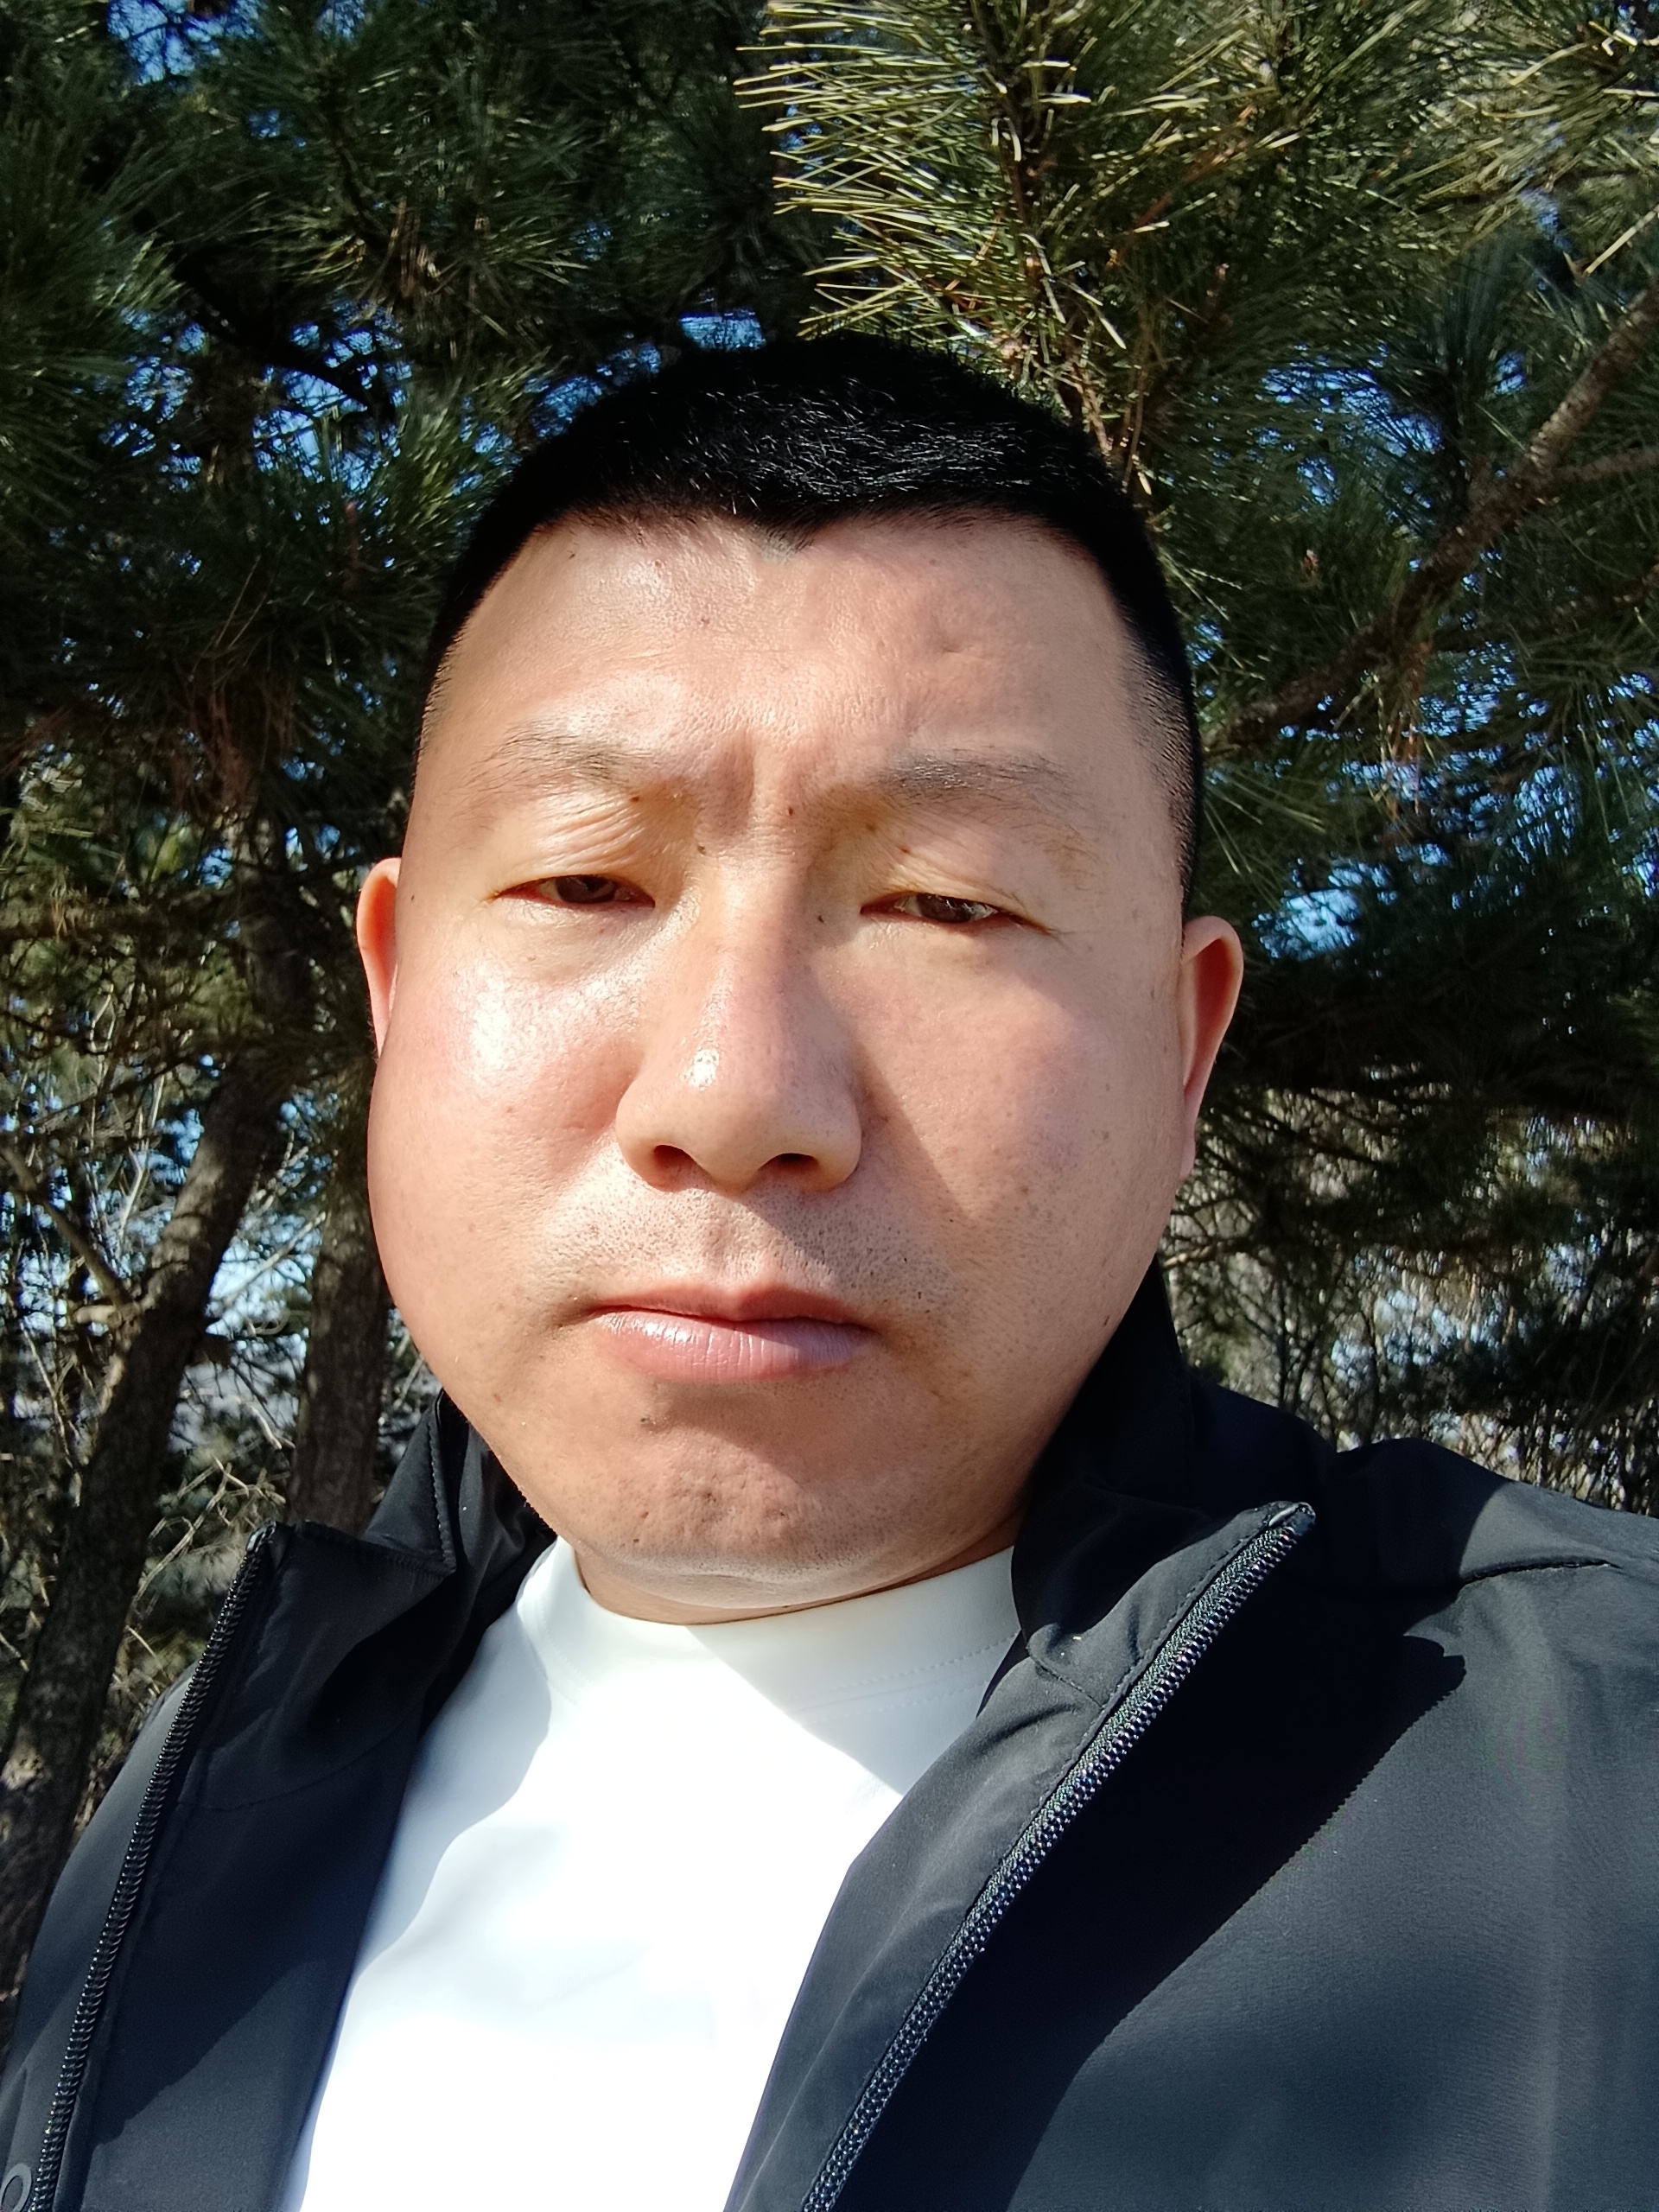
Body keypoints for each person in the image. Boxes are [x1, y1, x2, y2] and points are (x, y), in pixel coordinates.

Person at [2, 338, 1656, 2212]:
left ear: (1184, 1048)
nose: (733, 1096)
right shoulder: (222, 1774)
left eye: (949, 902)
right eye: (583, 881)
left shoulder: (1599, 1793)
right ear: (394, 985)